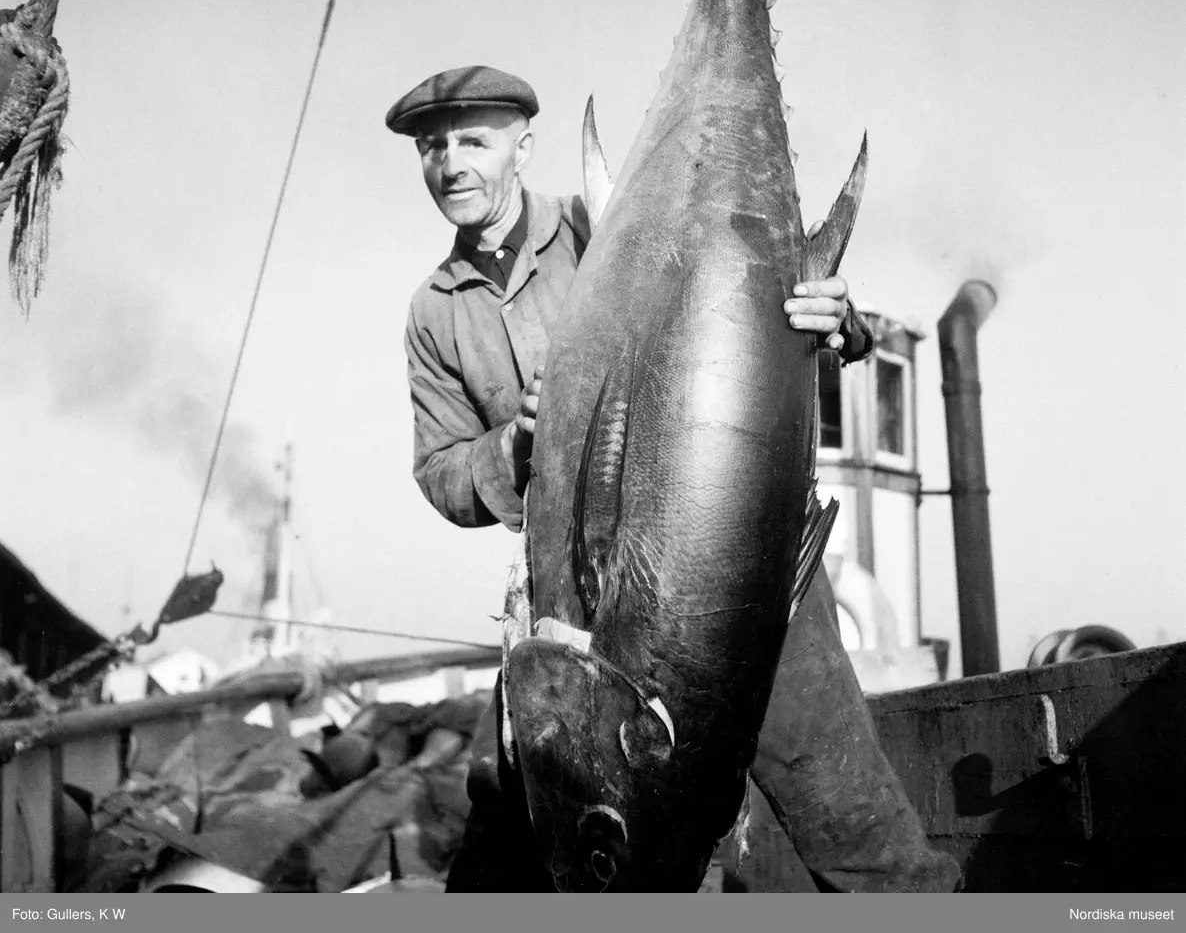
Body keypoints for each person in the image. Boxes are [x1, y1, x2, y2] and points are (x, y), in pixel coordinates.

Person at [392, 65, 960, 893]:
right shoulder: (435, 311)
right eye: (432, 148)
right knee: (509, 855)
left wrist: (842, 323)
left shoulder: (607, 221)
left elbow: (755, 286)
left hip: (742, 571)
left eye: (473, 141)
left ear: (524, 147)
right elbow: (440, 469)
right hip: (582, 607)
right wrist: (513, 444)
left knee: (851, 820)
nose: (451, 164)